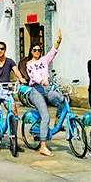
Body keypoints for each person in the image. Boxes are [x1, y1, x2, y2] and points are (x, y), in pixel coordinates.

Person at [25, 29, 63, 157]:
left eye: (39, 50)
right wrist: (42, 80)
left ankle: (58, 122)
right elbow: (34, 76)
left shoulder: (44, 60)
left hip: (46, 89)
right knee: (45, 116)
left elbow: (53, 52)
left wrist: (59, 40)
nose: (37, 52)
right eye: (35, 50)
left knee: (62, 100)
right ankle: (43, 146)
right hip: (36, 91)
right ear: (31, 52)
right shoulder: (29, 64)